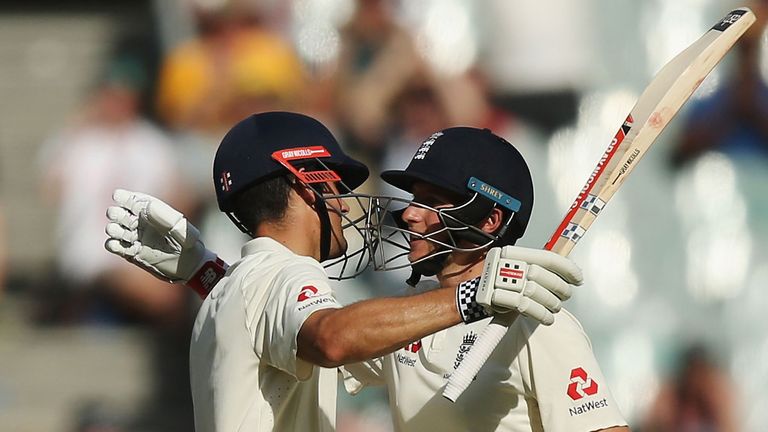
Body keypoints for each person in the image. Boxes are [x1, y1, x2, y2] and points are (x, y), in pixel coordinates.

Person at [105, 111, 580, 432]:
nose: (348, 203)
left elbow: (335, 337)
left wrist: (206, 273)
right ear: (306, 183)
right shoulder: (291, 276)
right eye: (337, 184)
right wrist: (470, 295)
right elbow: (332, 338)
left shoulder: (229, 290)